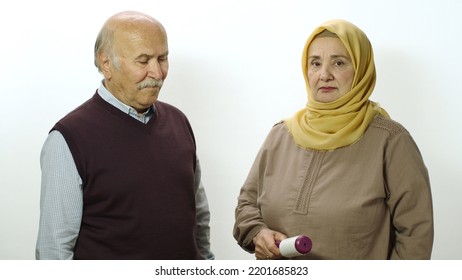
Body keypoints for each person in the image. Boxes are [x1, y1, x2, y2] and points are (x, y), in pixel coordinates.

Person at [233, 19, 433, 260]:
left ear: (361, 70)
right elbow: (247, 205)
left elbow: (415, 236)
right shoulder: (281, 135)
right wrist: (258, 233)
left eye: (339, 63)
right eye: (315, 63)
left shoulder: (390, 141)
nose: (324, 74)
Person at [36, 11, 214, 260]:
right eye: (143, 61)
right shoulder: (68, 139)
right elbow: (54, 249)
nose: (157, 72)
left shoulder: (179, 122)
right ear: (106, 63)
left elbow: (198, 215)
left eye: (162, 58)